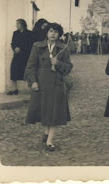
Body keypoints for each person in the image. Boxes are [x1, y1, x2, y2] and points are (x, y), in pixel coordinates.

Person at [25, 23, 73, 152]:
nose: (53, 34)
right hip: (41, 84)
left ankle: (49, 141)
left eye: (56, 32)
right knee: (45, 110)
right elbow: (31, 66)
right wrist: (33, 82)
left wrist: (58, 63)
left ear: (59, 34)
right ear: (46, 33)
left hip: (57, 85)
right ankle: (46, 132)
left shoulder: (64, 48)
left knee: (54, 112)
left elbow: (68, 68)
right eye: (51, 31)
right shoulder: (37, 46)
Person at [7, 19, 33, 95]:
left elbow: (30, 44)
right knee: (14, 70)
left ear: (23, 24)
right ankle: (14, 89)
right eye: (16, 24)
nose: (16, 25)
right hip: (17, 55)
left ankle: (30, 89)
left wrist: (20, 49)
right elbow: (13, 43)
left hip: (25, 56)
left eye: (18, 24)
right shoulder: (15, 33)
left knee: (27, 72)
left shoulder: (29, 33)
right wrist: (15, 48)